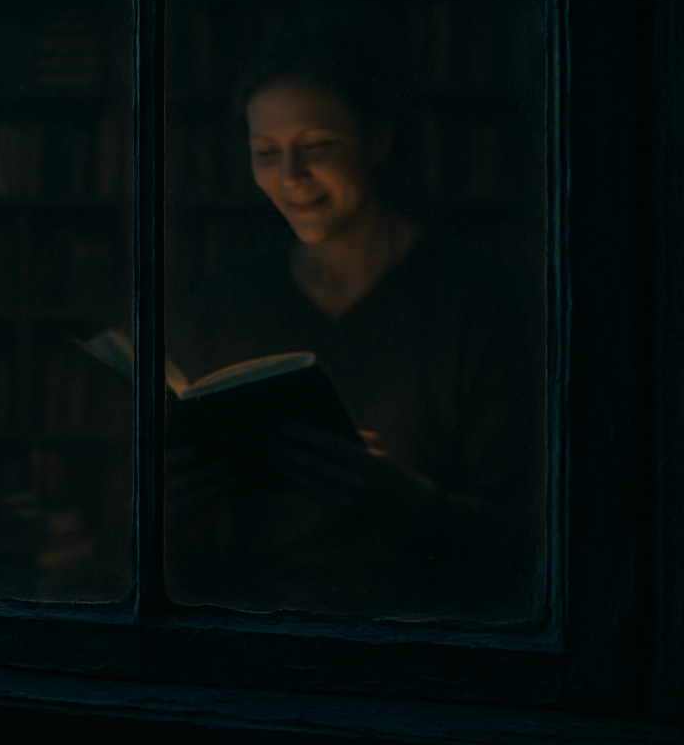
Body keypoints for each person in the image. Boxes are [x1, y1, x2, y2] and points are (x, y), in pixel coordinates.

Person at [165, 32, 545, 620]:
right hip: (249, 630)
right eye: (266, 152)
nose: (291, 176)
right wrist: (174, 507)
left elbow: (527, 539)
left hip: (420, 633)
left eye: (317, 145)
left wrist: (411, 506)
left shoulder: (476, 303)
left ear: (378, 139)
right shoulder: (226, 301)